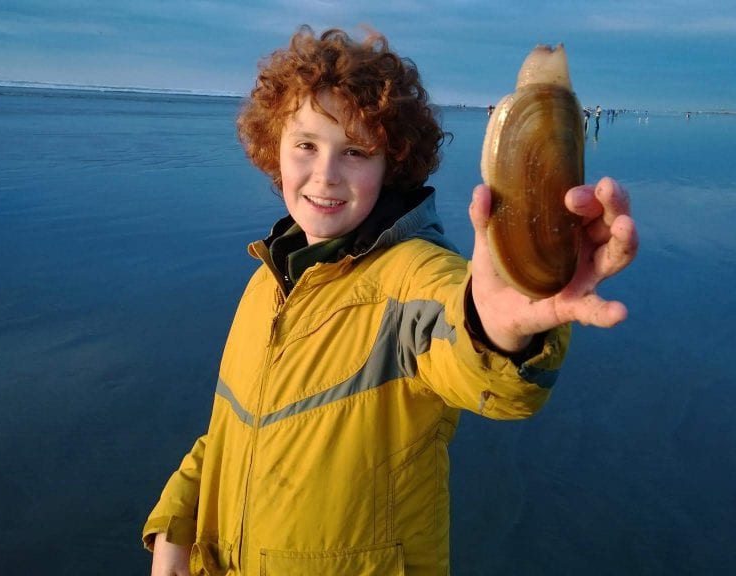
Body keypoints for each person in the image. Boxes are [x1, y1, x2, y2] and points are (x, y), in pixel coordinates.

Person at [144, 26, 637, 576]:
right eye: (306, 144)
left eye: (355, 151)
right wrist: (173, 528)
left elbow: (475, 358)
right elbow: (232, 430)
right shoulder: (269, 278)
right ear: (273, 147)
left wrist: (500, 325)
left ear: (393, 164)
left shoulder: (412, 277)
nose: (325, 174)